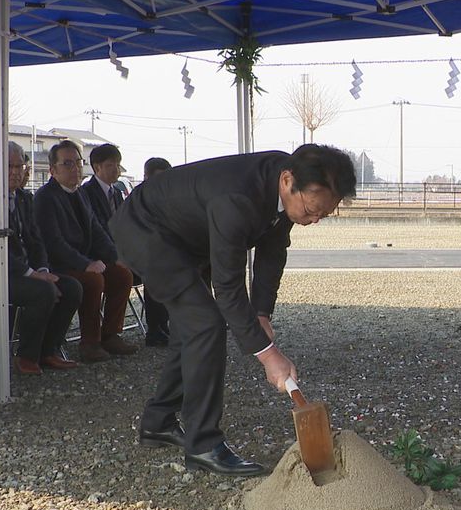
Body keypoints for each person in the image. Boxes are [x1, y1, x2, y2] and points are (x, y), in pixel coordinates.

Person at [110, 144, 356, 476]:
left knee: (190, 329)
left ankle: (158, 422)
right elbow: (228, 289)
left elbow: (272, 253)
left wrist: (261, 314)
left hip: (188, 237)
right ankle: (203, 444)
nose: (312, 221)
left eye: (322, 215)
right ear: (288, 181)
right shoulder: (237, 199)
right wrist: (269, 356)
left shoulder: (281, 183)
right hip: (146, 229)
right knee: (206, 324)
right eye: (311, 210)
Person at [0, 142, 82, 375]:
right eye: (10, 166)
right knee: (42, 291)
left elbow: (36, 240)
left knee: (71, 287)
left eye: (20, 166)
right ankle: (27, 355)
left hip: (21, 272)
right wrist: (32, 274)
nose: (16, 171)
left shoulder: (24, 198)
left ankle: (48, 350)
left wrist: (43, 269)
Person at [33, 140, 138, 362]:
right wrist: (85, 264)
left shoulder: (79, 193)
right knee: (94, 280)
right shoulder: (45, 197)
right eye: (68, 164)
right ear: (53, 170)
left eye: (78, 163)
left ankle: (111, 334)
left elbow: (97, 231)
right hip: (57, 265)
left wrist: (115, 257)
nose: (76, 169)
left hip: (83, 260)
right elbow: (53, 243)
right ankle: (89, 343)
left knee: (122, 275)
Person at [140, 157, 173, 347]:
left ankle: (163, 324)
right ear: (146, 178)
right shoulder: (139, 198)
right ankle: (154, 328)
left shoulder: (166, 198)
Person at [80, 143, 123, 235]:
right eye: (110, 165)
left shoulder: (117, 193)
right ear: (97, 167)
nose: (116, 170)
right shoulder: (86, 192)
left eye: (118, 165)